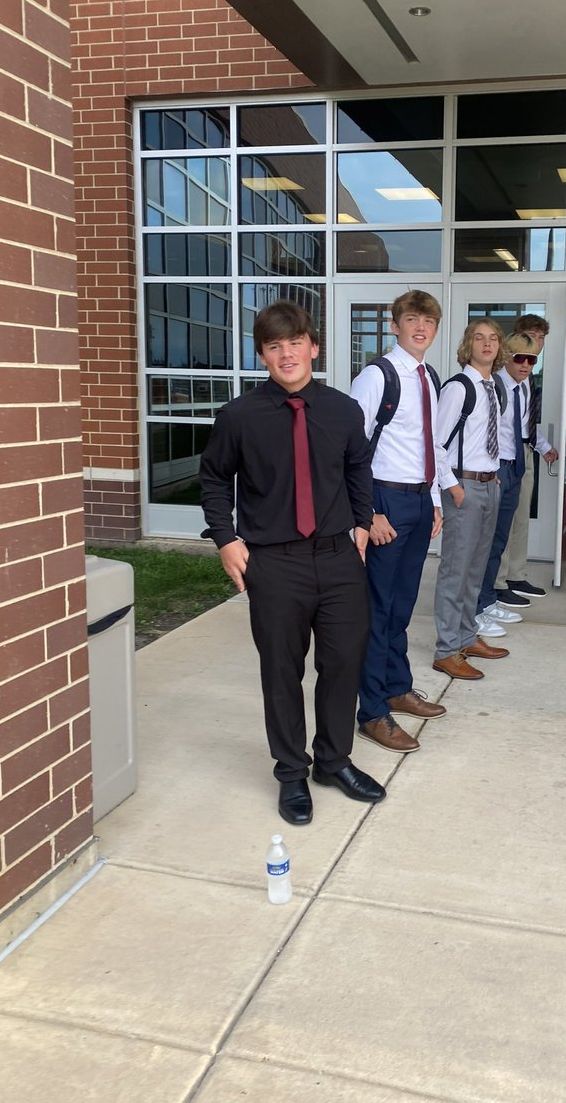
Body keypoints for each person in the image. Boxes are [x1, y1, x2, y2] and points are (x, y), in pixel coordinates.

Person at [199, 302, 385, 827]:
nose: (287, 353)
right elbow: (213, 478)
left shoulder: (344, 410)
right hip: (274, 562)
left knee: (344, 662)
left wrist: (362, 521)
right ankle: (290, 772)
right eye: (275, 346)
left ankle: (333, 761)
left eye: (295, 342)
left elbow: (358, 468)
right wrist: (226, 539)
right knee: (282, 671)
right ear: (262, 355)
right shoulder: (238, 416)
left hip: (338, 556)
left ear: (314, 347)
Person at [349, 289, 451, 755]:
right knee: (376, 610)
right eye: (411, 319)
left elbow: (426, 443)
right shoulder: (377, 377)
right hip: (384, 500)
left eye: (428, 321)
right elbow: (348, 450)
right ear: (395, 325)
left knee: (402, 607)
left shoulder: (428, 375)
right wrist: (368, 513)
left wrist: (432, 500)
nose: (420, 328)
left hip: (416, 501)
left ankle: (396, 686)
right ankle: (371, 711)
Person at [433, 319, 510, 681]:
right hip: (464, 487)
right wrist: (453, 487)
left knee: (476, 569)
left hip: (489, 483)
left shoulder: (492, 387)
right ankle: (447, 649)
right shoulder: (460, 388)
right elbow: (434, 443)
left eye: (493, 339)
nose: (487, 344)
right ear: (468, 345)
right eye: (479, 338)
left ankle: (466, 635)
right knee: (456, 570)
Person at [475, 333, 540, 637]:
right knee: (484, 541)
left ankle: (487, 600)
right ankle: (476, 607)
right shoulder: (494, 385)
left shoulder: (523, 387)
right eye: (520, 358)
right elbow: (482, 431)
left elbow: (524, 428)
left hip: (514, 464)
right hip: (496, 467)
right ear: (506, 357)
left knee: (500, 538)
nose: (526, 365)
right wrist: (491, 467)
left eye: (532, 359)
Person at [493, 314, 558, 610]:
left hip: (523, 454)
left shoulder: (527, 379)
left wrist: (544, 447)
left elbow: (524, 424)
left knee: (520, 518)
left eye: (542, 337)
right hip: (500, 459)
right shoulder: (497, 381)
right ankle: (498, 580)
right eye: (532, 335)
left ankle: (515, 574)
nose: (538, 343)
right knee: (501, 522)